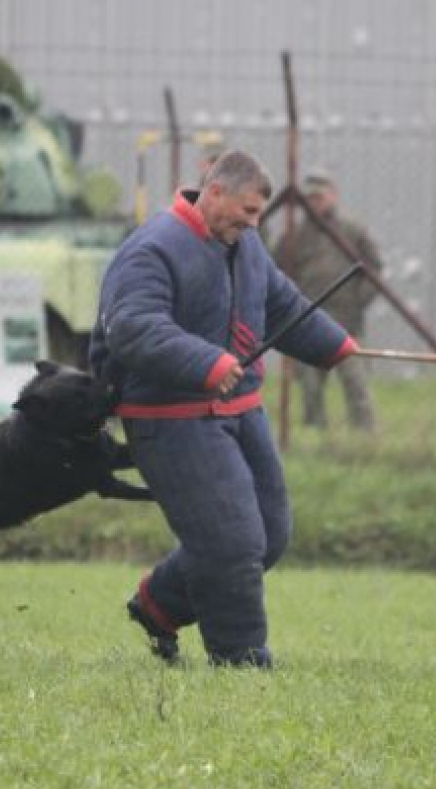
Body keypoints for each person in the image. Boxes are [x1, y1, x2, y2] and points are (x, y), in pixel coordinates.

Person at [89, 149, 360, 669]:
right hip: (170, 418)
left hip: (239, 409)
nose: (254, 224)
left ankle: (158, 605)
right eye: (248, 211)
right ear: (214, 192)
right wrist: (206, 362)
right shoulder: (151, 249)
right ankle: (240, 660)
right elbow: (133, 327)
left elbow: (280, 305)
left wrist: (333, 344)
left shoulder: (245, 244)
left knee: (268, 537)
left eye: (259, 214)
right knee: (231, 544)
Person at [276, 169, 382, 432]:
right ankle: (315, 433)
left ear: (333, 196)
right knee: (310, 385)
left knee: (355, 381)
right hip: (307, 322)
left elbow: (374, 269)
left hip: (347, 321)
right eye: (310, 198)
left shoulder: (353, 231)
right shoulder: (294, 236)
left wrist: (359, 301)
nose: (315, 203)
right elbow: (277, 275)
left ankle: (365, 434)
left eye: (320, 197)